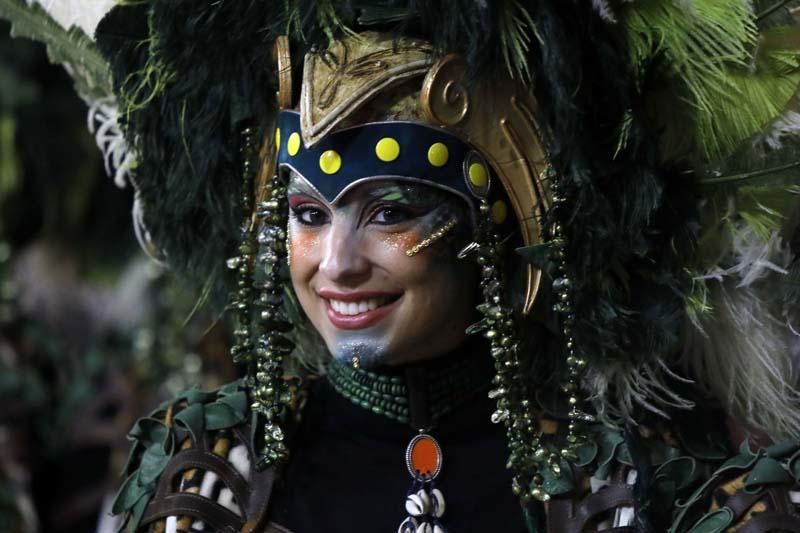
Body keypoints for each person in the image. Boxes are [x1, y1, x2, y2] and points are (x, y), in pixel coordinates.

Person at [4, 1, 800, 531]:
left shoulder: (624, 477)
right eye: (309, 215)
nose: (337, 265)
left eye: (389, 212)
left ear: (493, 226)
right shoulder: (209, 470)